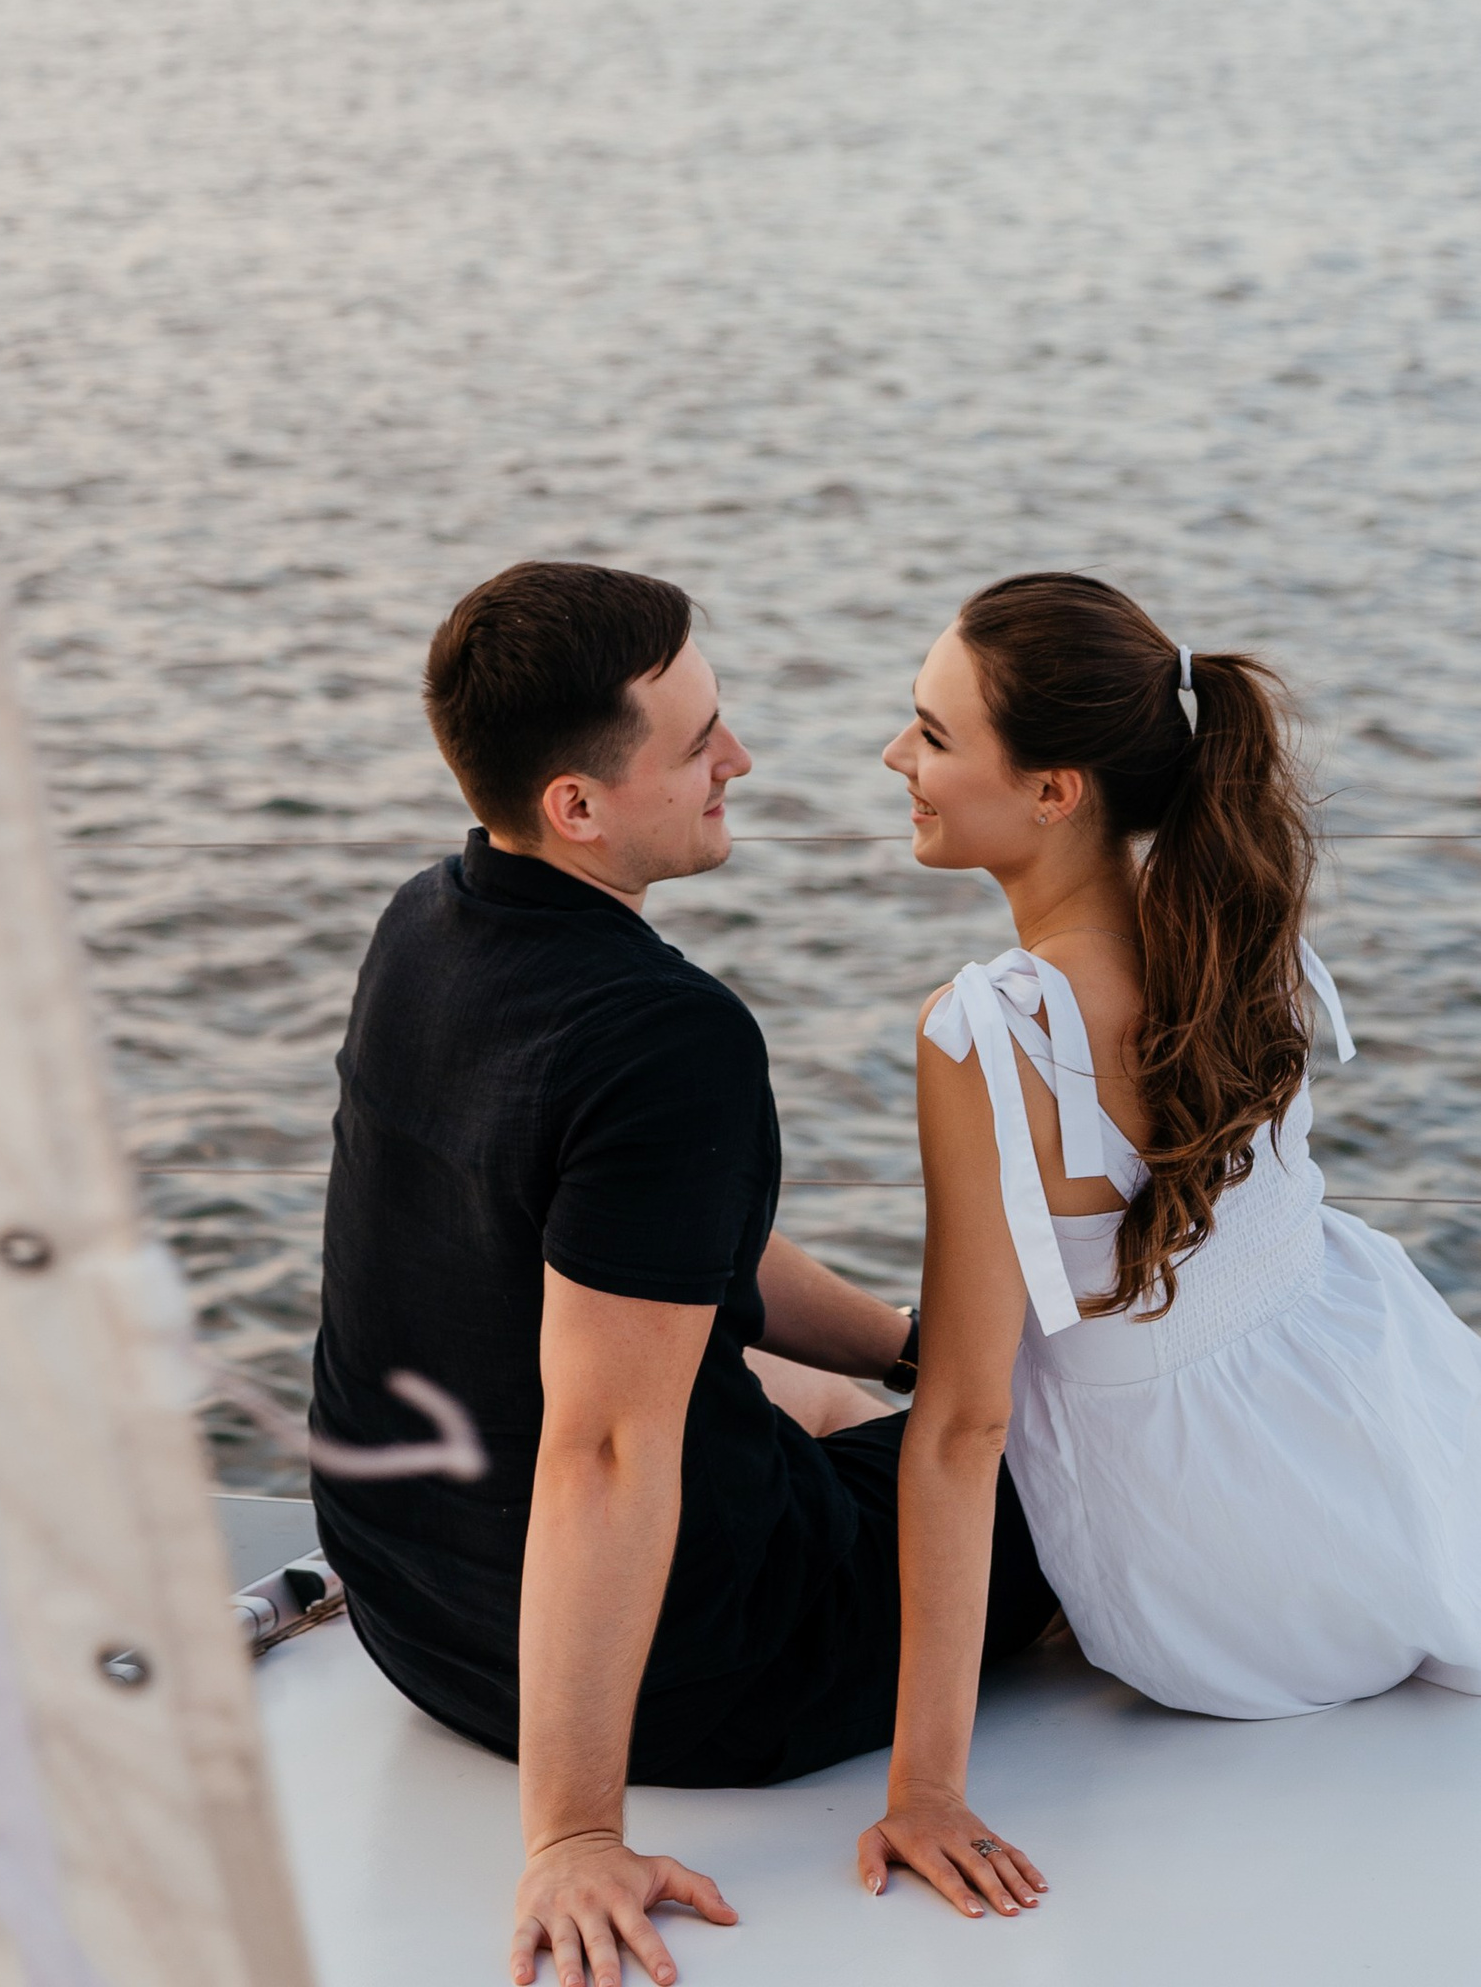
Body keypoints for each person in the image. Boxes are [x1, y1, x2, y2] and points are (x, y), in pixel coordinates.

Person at [310, 561, 1059, 1987]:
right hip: (709, 1677)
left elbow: (667, 1247)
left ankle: (864, 1410)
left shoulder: (424, 924)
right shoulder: (668, 1036)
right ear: (575, 807)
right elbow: (600, 1448)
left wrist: (909, 1350)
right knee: (1077, 1460)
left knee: (819, 1390)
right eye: (698, 740)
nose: (742, 757)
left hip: (416, 1624)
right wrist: (573, 1833)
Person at [861, 573, 1481, 1925]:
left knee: (836, 1412)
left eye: (933, 733)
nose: (896, 759)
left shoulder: (992, 1029)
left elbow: (965, 1425)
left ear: (1053, 790)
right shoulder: (1243, 922)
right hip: (1389, 1436)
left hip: (1210, 1594)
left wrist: (927, 1790)